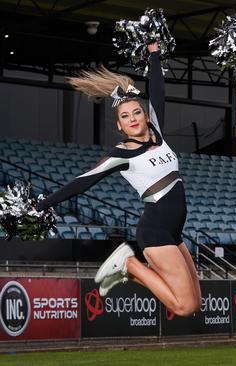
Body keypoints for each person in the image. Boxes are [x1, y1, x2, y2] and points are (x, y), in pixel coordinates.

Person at [36, 42, 201, 316]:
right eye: (125, 116)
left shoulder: (158, 133)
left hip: (174, 232)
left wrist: (154, 55)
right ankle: (131, 265)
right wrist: (41, 206)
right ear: (119, 126)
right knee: (184, 307)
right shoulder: (121, 154)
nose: (133, 118)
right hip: (155, 231)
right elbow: (82, 181)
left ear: (145, 116)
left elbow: (159, 93)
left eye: (137, 112)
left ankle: (129, 272)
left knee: (196, 302)